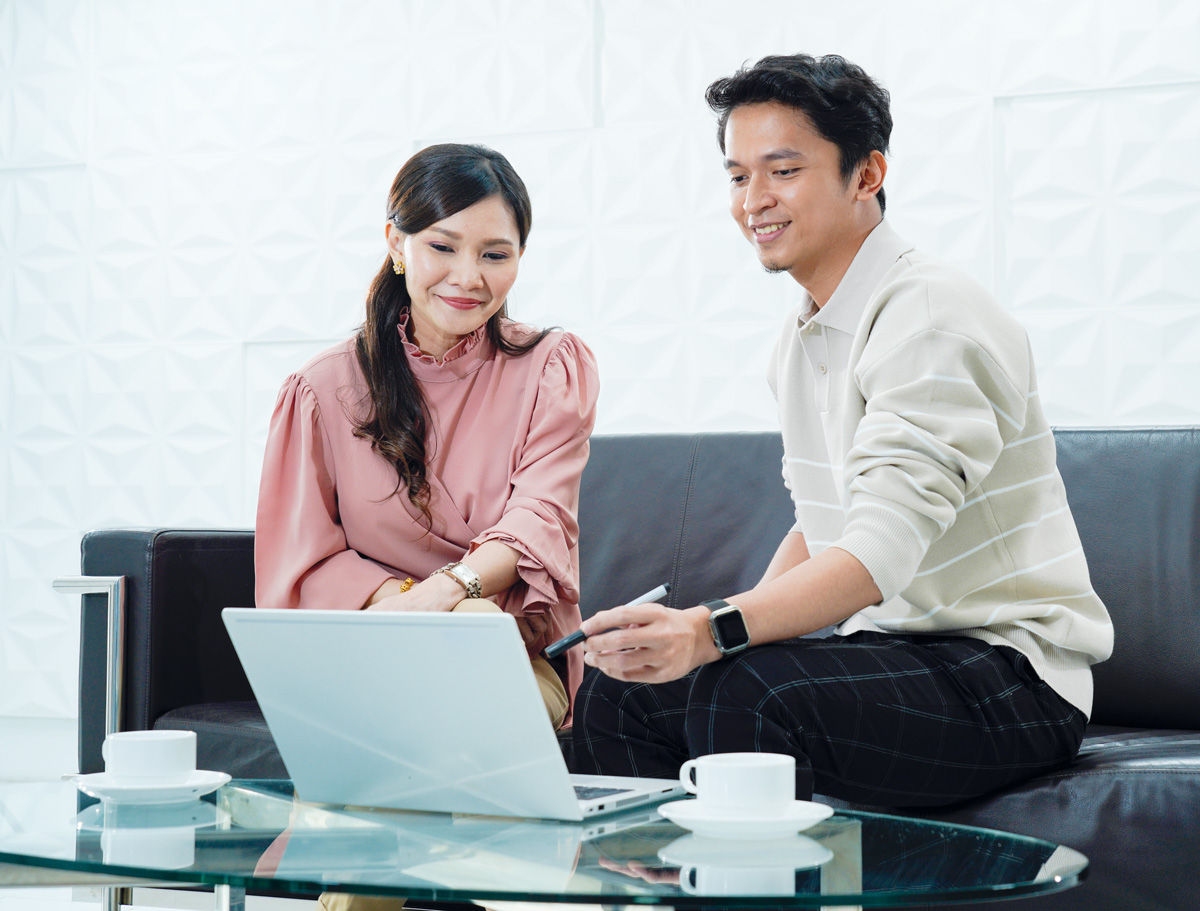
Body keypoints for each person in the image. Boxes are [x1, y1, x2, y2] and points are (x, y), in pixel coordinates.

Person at [571, 54, 1113, 808]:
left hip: (1010, 675)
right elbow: (824, 524)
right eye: (738, 176)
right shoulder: (803, 338)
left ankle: (761, 874)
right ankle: (655, 874)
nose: (754, 200)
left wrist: (711, 630)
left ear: (867, 174)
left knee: (749, 691)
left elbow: (877, 550)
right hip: (891, 652)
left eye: (784, 171)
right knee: (622, 694)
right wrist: (716, 637)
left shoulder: (931, 314)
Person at [255, 141, 599, 732]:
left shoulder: (551, 367)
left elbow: (538, 519)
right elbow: (303, 563)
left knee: (472, 664)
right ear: (397, 243)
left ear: (520, 257)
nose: (468, 277)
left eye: (495, 254)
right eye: (442, 247)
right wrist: (423, 607)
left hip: (509, 652)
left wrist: (457, 595)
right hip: (369, 645)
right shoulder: (319, 390)